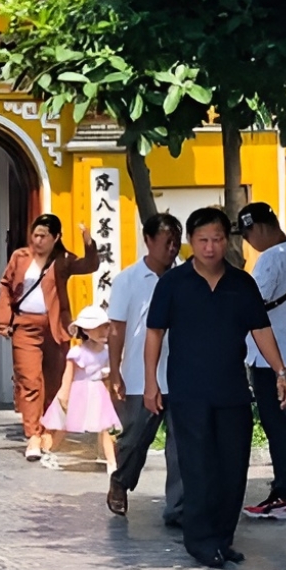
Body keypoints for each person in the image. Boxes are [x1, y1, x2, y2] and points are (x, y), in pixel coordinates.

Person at [143, 207, 286, 569]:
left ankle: (222, 540)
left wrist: (280, 372)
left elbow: (261, 330)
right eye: (202, 240)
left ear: (227, 241)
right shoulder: (174, 283)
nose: (210, 247)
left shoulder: (242, 284)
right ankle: (200, 542)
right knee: (198, 469)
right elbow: (154, 333)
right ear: (191, 242)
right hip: (188, 392)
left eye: (217, 239)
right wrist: (151, 382)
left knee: (231, 468)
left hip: (232, 393)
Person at [0, 214, 104, 461]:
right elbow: (5, 285)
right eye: (36, 234)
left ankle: (49, 430)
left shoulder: (63, 260)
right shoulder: (20, 257)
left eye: (44, 236)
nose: (38, 240)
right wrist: (4, 320)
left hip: (55, 326)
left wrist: (88, 241)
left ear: (56, 238)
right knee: (29, 379)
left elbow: (90, 265)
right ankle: (33, 434)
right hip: (25, 326)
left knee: (54, 381)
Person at [238, 203, 286, 522]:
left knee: (276, 424)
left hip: (271, 356)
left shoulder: (271, 258)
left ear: (260, 227)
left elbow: (251, 304)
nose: (248, 241)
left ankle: (284, 497)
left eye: (247, 233)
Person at [106, 213, 184, 521]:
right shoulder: (128, 280)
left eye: (176, 242)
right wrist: (115, 372)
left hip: (179, 374)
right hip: (141, 374)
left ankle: (177, 508)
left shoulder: (186, 277)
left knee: (180, 446)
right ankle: (121, 480)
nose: (172, 249)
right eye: (166, 242)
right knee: (135, 438)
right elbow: (116, 329)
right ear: (148, 240)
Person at [38, 304, 122, 472]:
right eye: (97, 328)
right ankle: (49, 451)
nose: (102, 332)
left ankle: (112, 462)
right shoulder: (77, 352)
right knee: (64, 426)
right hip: (79, 391)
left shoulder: (107, 351)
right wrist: (64, 395)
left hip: (98, 391)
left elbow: (111, 372)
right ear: (85, 331)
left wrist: (114, 388)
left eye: (104, 328)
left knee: (105, 427)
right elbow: (68, 375)